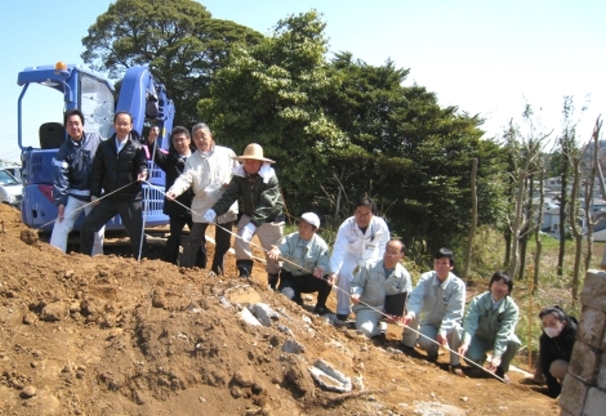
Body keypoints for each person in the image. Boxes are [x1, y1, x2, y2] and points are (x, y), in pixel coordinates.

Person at [203, 143, 284, 286]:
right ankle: (244, 274)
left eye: (253, 161)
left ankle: (272, 282)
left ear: (261, 162)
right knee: (240, 240)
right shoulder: (240, 175)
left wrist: (253, 225)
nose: (250, 164)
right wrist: (214, 210)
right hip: (249, 214)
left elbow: (267, 204)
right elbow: (229, 195)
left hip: (270, 217)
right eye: (247, 161)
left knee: (272, 253)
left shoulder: (270, 177)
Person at [167, 123, 238, 274]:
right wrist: (174, 190)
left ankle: (217, 273)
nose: (200, 139)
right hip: (202, 204)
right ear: (192, 140)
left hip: (224, 203)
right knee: (194, 239)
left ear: (210, 135)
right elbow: (185, 178)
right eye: (196, 137)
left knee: (223, 242)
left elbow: (238, 175)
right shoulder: (192, 160)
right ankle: (185, 271)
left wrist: (230, 184)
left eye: (202, 135)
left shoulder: (227, 153)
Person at [80, 111, 148, 258]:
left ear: (131, 126)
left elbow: (142, 165)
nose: (122, 126)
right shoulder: (104, 147)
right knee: (88, 226)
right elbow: (97, 172)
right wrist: (95, 194)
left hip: (130, 198)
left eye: (125, 124)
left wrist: (143, 172)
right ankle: (82, 259)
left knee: (137, 234)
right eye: (119, 123)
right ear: (114, 125)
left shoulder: (137, 148)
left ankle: (142, 264)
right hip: (109, 198)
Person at [400, 247, 465, 375]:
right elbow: (416, 297)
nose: (440, 266)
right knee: (424, 341)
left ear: (451, 266)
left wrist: (444, 330)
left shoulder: (458, 285)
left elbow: (455, 312)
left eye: (444, 263)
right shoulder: (426, 278)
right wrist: (411, 313)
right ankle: (433, 353)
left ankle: (454, 362)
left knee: (456, 330)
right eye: (437, 262)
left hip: (449, 325)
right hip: (429, 322)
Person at [49, 109, 104, 255]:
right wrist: (61, 202)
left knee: (97, 232)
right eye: (70, 124)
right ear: (66, 127)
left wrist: (98, 192)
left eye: (77, 123)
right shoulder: (64, 150)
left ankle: (98, 262)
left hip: (95, 197)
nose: (74, 127)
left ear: (83, 125)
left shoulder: (96, 140)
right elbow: (61, 177)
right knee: (61, 224)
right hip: (75, 195)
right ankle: (55, 259)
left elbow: (107, 162)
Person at [147, 125, 204, 266]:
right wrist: (151, 140)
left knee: (199, 238)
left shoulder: (200, 159)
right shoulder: (169, 160)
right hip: (176, 207)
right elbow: (156, 155)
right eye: (175, 141)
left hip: (195, 207)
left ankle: (200, 267)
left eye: (181, 140)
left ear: (189, 140)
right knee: (174, 238)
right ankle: (170, 266)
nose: (179, 143)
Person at [329, 197, 390, 321]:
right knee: (344, 273)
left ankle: (370, 314)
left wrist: (382, 266)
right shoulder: (346, 226)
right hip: (350, 253)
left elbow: (385, 246)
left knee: (372, 279)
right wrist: (334, 272)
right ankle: (343, 310)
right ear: (354, 212)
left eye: (366, 214)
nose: (362, 218)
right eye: (359, 213)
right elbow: (339, 249)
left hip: (371, 255)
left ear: (372, 215)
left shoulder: (380, 225)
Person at [458, 271, 520, 382]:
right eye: (496, 283)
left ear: (508, 290)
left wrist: (497, 355)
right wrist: (466, 342)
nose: (499, 288)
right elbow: (470, 323)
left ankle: (501, 370)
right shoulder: (478, 301)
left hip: (498, 339)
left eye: (504, 285)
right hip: (479, 337)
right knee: (470, 352)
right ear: (490, 285)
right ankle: (478, 363)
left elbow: (505, 333)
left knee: (513, 342)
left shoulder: (512, 309)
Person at [267, 212, 332, 315]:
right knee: (287, 299)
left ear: (314, 229)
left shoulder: (321, 245)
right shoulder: (290, 239)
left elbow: (324, 263)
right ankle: (297, 299)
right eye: (300, 225)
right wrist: (277, 252)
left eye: (306, 227)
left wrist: (320, 269)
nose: (301, 229)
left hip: (310, 279)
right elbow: (282, 249)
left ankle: (320, 306)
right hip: (291, 278)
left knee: (327, 278)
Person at [350, 239, 412, 340]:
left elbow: (407, 299)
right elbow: (357, 283)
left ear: (401, 256)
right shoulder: (369, 266)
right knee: (364, 331)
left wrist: (399, 313)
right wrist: (356, 293)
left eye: (394, 253)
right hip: (368, 308)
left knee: (413, 317)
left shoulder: (404, 276)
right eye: (387, 251)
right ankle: (379, 330)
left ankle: (408, 345)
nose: (389, 255)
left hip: (390, 314)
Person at [538, 305, 578, 398]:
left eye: (552, 324)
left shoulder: (575, 337)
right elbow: (545, 361)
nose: (548, 328)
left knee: (558, 367)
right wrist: (553, 388)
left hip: (576, 368)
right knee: (545, 361)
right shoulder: (545, 338)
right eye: (545, 324)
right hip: (559, 360)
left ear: (563, 324)